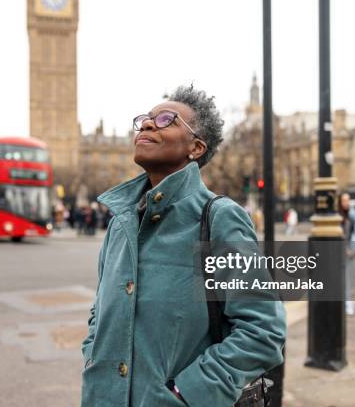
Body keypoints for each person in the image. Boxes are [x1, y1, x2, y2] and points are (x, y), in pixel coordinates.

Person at [80, 85, 286, 406]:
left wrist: (186, 394)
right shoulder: (120, 222)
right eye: (146, 119)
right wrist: (93, 354)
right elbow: (100, 311)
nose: (148, 124)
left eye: (165, 120)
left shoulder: (218, 218)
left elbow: (263, 331)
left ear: (196, 147)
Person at [338, 192, 355, 315]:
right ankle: (343, 303)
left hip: (347, 251)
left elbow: (354, 233)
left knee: (346, 278)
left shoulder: (351, 215)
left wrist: (352, 248)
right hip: (339, 250)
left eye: (348, 200)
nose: (346, 202)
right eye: (344, 200)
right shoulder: (337, 216)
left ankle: (347, 303)